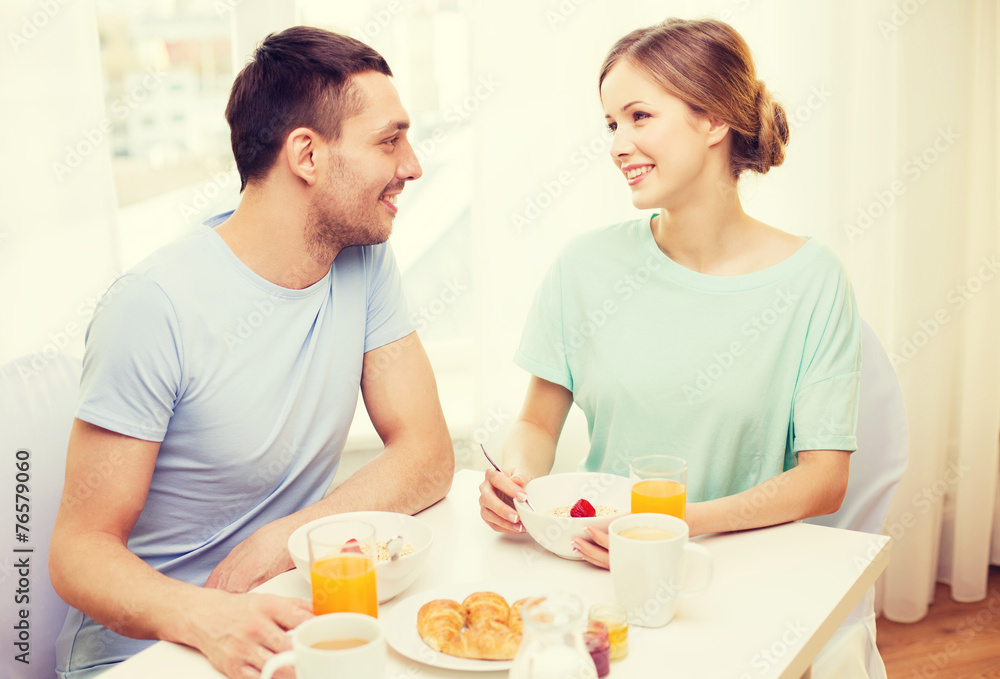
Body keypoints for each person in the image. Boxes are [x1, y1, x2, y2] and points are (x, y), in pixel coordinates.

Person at [50, 26, 454, 679]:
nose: (412, 164)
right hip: (148, 651)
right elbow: (77, 552)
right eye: (389, 140)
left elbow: (428, 455)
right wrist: (206, 616)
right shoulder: (154, 305)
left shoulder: (366, 260)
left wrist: (283, 541)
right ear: (307, 155)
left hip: (283, 617)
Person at [480, 18, 860, 566]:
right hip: (594, 559)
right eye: (611, 124)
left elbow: (824, 481)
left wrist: (672, 525)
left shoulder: (812, 280)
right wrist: (518, 480)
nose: (617, 145)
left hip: (732, 566)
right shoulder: (583, 267)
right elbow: (537, 423)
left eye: (639, 117)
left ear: (713, 119)